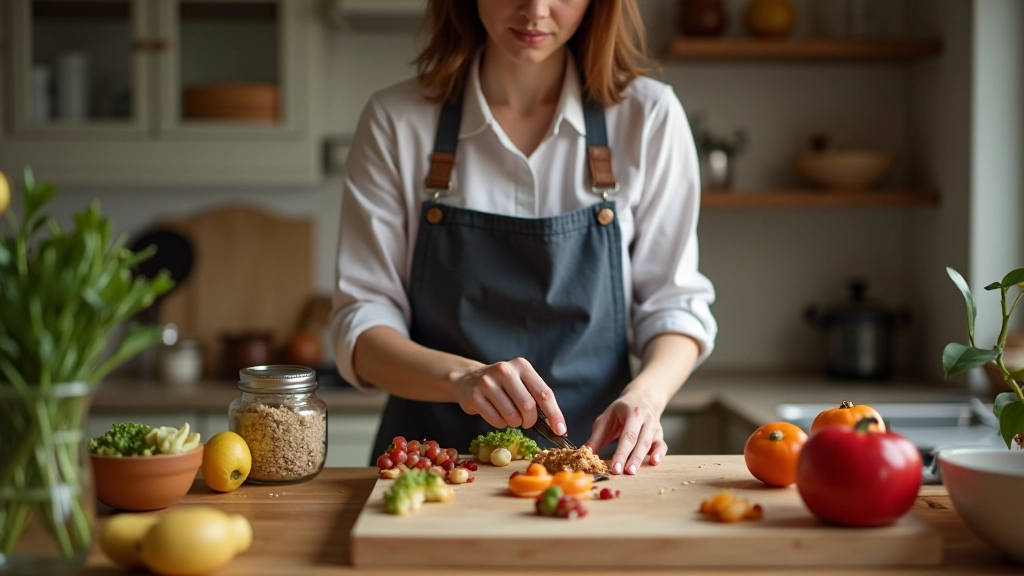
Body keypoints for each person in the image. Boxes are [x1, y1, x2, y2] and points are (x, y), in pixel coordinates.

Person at [331, 0, 717, 475]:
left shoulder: (649, 117)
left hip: (592, 466)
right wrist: (462, 378)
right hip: (428, 465)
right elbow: (361, 329)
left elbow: (674, 305)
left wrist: (645, 396)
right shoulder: (396, 120)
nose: (535, 9)